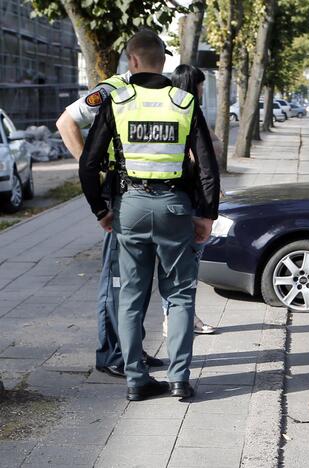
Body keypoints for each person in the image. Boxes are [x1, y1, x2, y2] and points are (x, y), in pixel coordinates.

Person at [78, 29, 220, 401]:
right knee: (180, 295)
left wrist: (100, 209)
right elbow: (207, 166)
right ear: (163, 61)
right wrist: (206, 215)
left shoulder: (118, 101)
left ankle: (136, 381)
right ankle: (179, 380)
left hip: (131, 206)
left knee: (132, 296)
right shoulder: (184, 102)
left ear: (133, 60)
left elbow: (89, 163)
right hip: (175, 207)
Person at [56, 47, 165, 379]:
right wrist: (90, 168)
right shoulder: (112, 90)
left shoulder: (155, 92)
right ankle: (111, 353)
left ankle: (131, 348)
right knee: (118, 280)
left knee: (139, 281)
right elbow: (66, 122)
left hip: (142, 201)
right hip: (119, 200)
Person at [164, 63, 219, 336]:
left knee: (170, 266)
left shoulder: (167, 109)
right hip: (189, 199)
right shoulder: (189, 111)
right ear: (193, 86)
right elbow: (204, 159)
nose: (202, 90)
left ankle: (173, 317)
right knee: (186, 266)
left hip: (166, 198)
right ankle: (182, 319)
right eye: (200, 85)